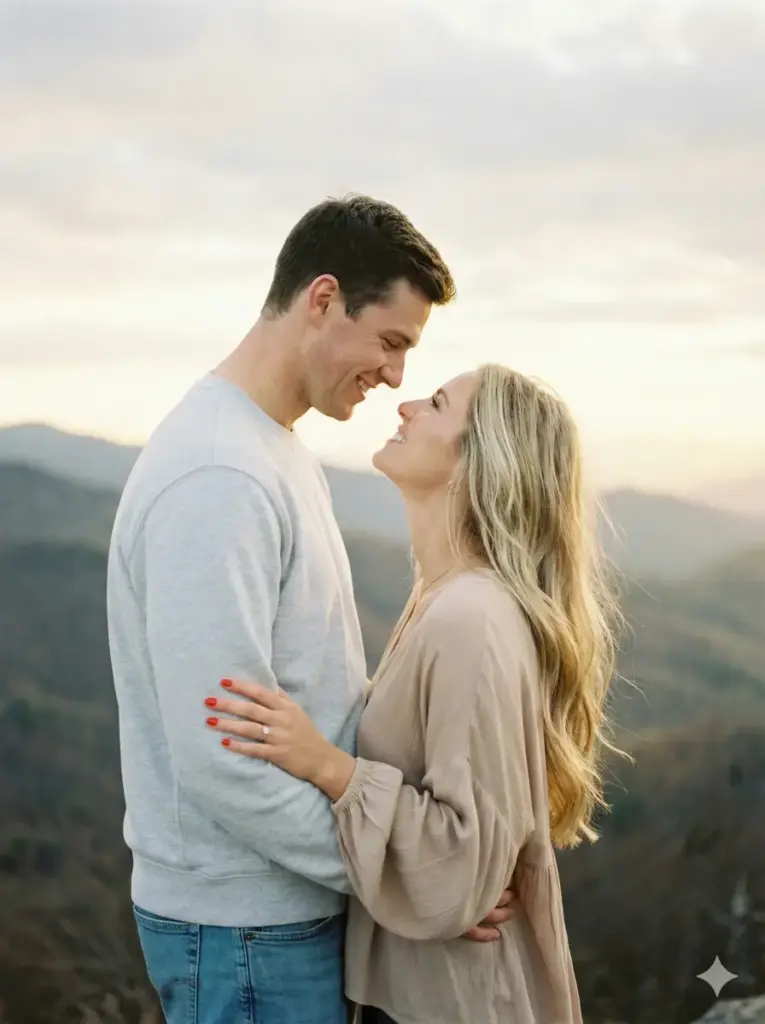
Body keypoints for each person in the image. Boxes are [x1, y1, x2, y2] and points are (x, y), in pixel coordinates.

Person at [106, 194, 515, 1024]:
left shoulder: (272, 449)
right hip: (245, 932)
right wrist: (412, 879)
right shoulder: (219, 476)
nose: (397, 376)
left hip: (278, 919)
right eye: (391, 341)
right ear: (322, 300)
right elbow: (224, 758)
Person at [198, 364, 622, 1024]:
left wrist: (327, 765)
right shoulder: (443, 600)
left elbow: (460, 863)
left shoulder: (470, 619)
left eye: (437, 403)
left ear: (479, 459)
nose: (405, 405)